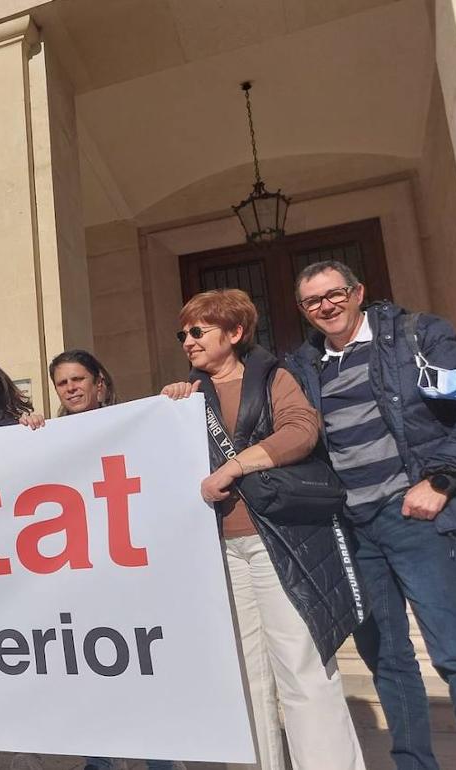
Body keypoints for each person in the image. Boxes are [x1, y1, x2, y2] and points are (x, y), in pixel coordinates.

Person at [161, 289, 364, 770]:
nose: (187, 341)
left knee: (303, 668)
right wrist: (170, 407)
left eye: (198, 331)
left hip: (281, 542)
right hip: (221, 552)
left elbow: (300, 431)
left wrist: (234, 467)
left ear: (234, 333)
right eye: (182, 333)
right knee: (244, 675)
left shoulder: (274, 377)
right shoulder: (188, 396)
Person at [285, 260, 456, 770]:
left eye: (335, 294)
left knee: (453, 651)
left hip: (418, 517)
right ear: (303, 310)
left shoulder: (417, 335)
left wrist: (442, 481)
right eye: (313, 301)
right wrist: (188, 389)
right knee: (387, 659)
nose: (326, 307)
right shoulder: (305, 366)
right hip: (353, 532)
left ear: (358, 292)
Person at [46, 353, 181, 770]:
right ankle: (100, 760)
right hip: (77, 572)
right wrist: (30, 432)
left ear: (98, 381)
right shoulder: (50, 435)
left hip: (127, 569)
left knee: (142, 669)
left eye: (78, 379)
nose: (71, 388)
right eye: (62, 382)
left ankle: (160, 760)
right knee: (87, 672)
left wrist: (175, 401)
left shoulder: (131, 422)